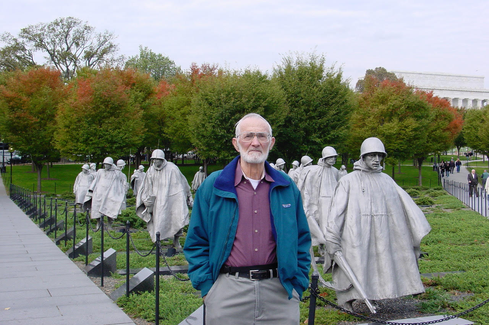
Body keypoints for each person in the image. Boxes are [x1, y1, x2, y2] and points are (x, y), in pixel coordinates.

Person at [183, 113, 311, 325]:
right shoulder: (214, 186)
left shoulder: (287, 187)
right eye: (248, 136)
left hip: (280, 294)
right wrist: (208, 289)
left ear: (271, 142)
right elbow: (196, 241)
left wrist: (297, 285)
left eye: (262, 136)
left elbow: (302, 240)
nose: (255, 142)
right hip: (227, 293)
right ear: (236, 143)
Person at [323, 137, 431, 312]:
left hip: (383, 232)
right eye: (371, 155)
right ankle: (348, 300)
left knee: (383, 265)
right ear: (363, 157)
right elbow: (337, 212)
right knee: (357, 265)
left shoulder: (387, 180)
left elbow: (403, 208)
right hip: (357, 233)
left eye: (379, 156)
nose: (376, 160)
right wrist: (332, 237)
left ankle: (385, 293)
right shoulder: (348, 181)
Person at [136, 149, 193, 247]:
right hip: (157, 200)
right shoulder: (150, 170)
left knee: (176, 218)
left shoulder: (172, 169)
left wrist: (188, 195)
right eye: (153, 159)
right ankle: (157, 240)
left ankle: (176, 240)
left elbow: (182, 183)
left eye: (157, 159)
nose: (154, 162)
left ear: (162, 159)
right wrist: (147, 200)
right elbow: (147, 186)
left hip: (172, 199)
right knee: (158, 220)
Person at [84, 157, 127, 228]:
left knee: (110, 209)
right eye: (105, 164)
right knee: (97, 210)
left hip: (109, 194)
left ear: (111, 165)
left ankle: (109, 225)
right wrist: (91, 190)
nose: (106, 166)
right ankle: (98, 224)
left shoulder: (115, 173)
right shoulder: (100, 172)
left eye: (108, 164)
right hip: (99, 194)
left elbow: (121, 181)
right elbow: (95, 181)